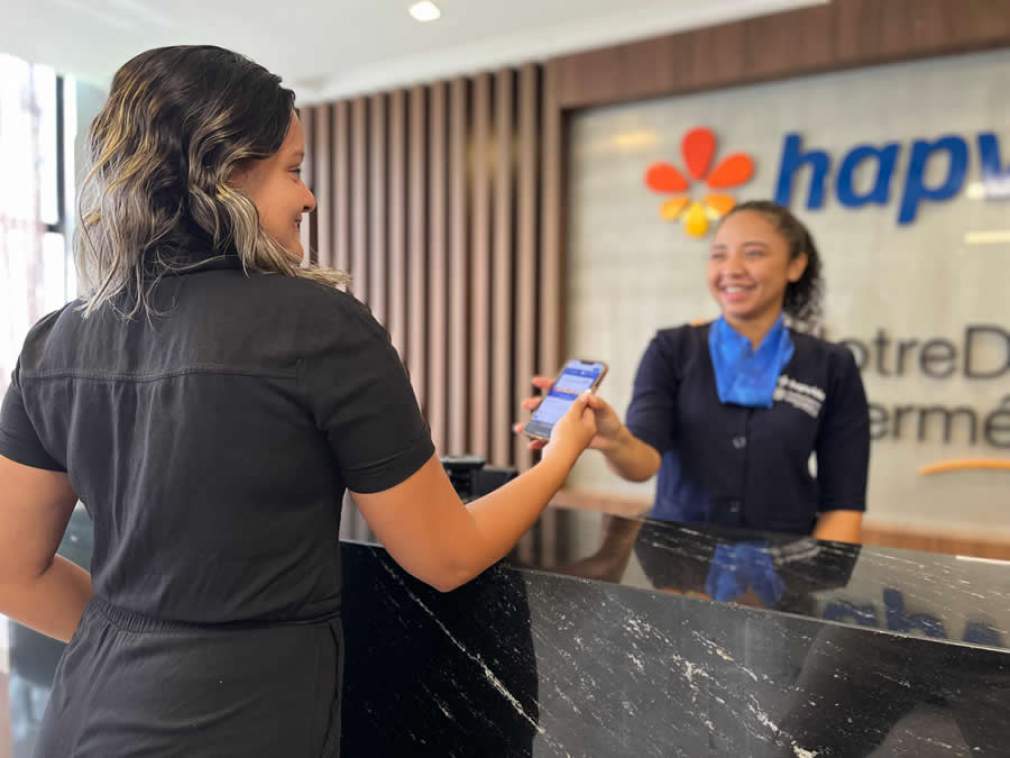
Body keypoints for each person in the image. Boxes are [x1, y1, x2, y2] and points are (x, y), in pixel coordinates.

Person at [0, 45, 597, 757]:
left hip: (85, 718)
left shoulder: (54, 341)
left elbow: (12, 572)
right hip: (249, 725)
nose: (309, 197)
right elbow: (445, 555)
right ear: (223, 171)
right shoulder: (319, 327)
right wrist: (558, 460)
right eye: (293, 169)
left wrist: (141, 649)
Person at [517, 201, 869, 543]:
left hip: (785, 566)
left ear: (795, 265)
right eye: (719, 254)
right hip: (677, 566)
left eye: (753, 253)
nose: (731, 268)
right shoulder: (671, 349)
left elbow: (843, 505)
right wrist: (614, 441)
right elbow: (642, 463)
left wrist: (811, 579)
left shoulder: (832, 364)